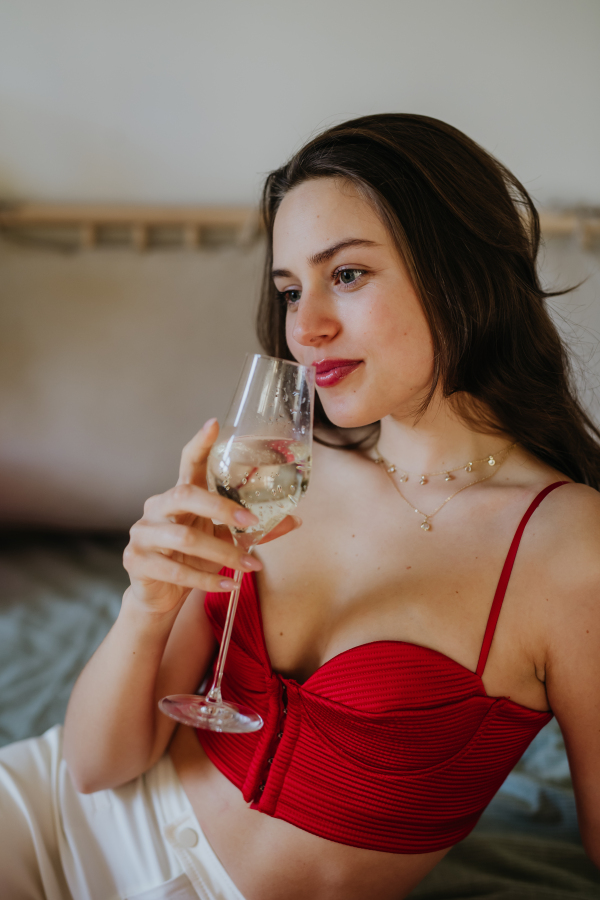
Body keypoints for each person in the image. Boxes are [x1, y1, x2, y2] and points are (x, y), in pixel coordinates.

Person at [1, 113, 599, 900]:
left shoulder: (568, 547)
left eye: (346, 275)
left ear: (460, 270)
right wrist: (146, 608)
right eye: (291, 290)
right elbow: (92, 766)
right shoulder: (276, 467)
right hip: (49, 819)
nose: (306, 329)